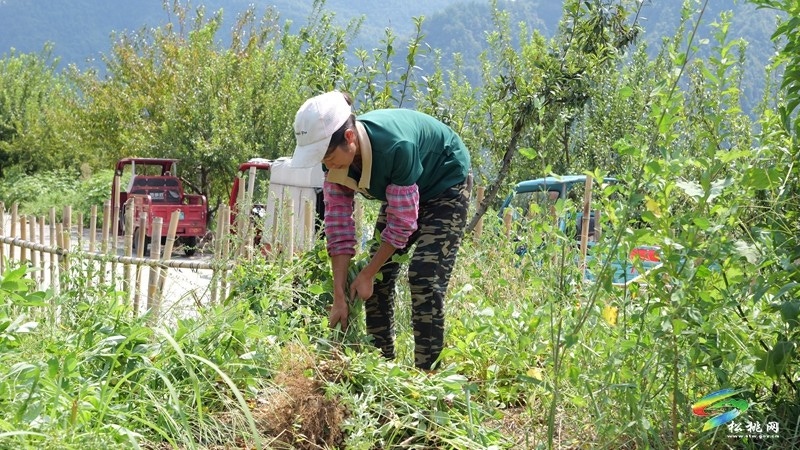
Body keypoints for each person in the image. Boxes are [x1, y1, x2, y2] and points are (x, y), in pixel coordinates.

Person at [290, 91, 472, 371]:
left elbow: (401, 224)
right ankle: (381, 367)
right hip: (405, 191)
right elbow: (339, 229)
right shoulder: (336, 167)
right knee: (375, 283)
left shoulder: (395, 146)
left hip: (445, 182)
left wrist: (367, 272)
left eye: (327, 154)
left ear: (349, 137)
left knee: (424, 276)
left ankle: (429, 376)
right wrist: (339, 293)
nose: (326, 164)